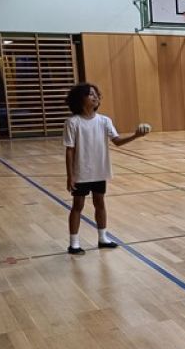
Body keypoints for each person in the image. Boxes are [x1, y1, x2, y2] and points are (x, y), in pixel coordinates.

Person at [63, 83, 148, 255]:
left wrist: (136, 135)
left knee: (100, 203)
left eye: (96, 94)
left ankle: (103, 238)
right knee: (77, 206)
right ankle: (74, 244)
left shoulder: (104, 121)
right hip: (81, 173)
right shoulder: (72, 122)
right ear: (80, 99)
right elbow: (69, 150)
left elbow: (117, 141)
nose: (95, 97)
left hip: (99, 171)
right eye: (90, 94)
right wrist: (70, 175)